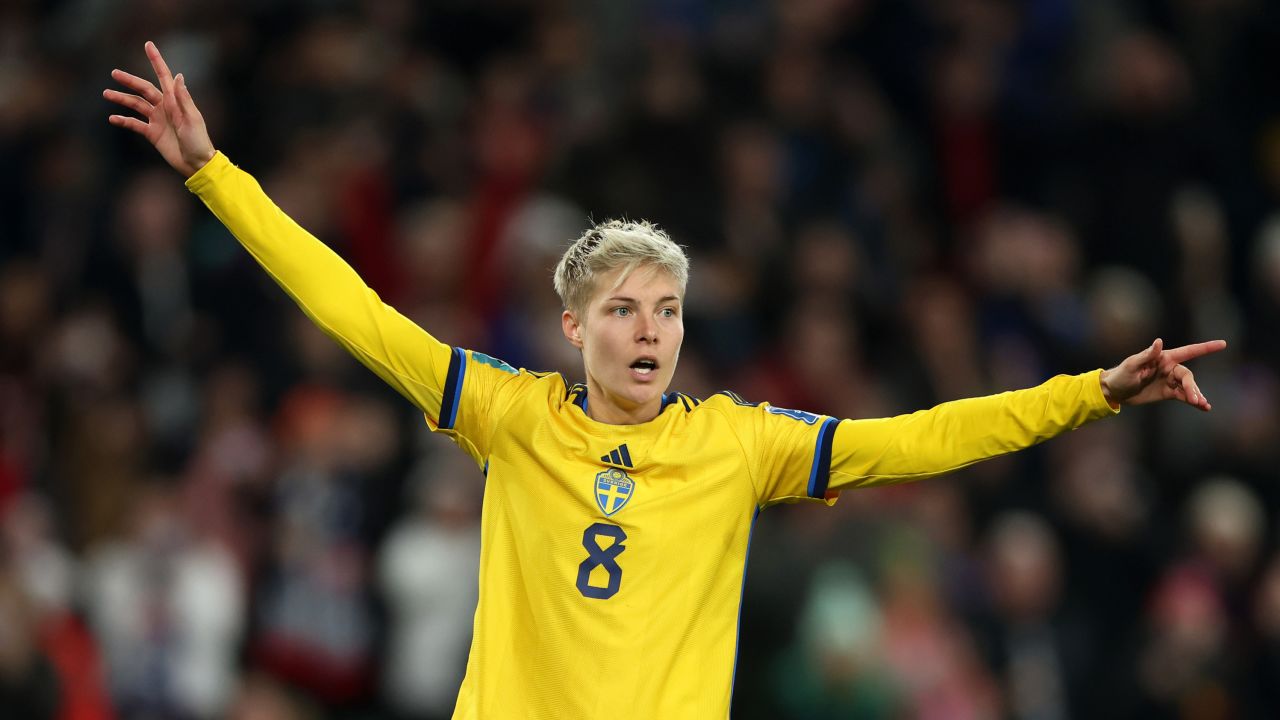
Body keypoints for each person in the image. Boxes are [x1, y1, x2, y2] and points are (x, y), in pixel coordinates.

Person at [105, 41, 1226, 719]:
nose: (650, 332)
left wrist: (1090, 392)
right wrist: (214, 175)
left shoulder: (740, 443)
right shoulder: (509, 413)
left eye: (668, 311)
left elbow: (922, 438)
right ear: (572, 327)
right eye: (623, 311)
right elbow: (353, 309)